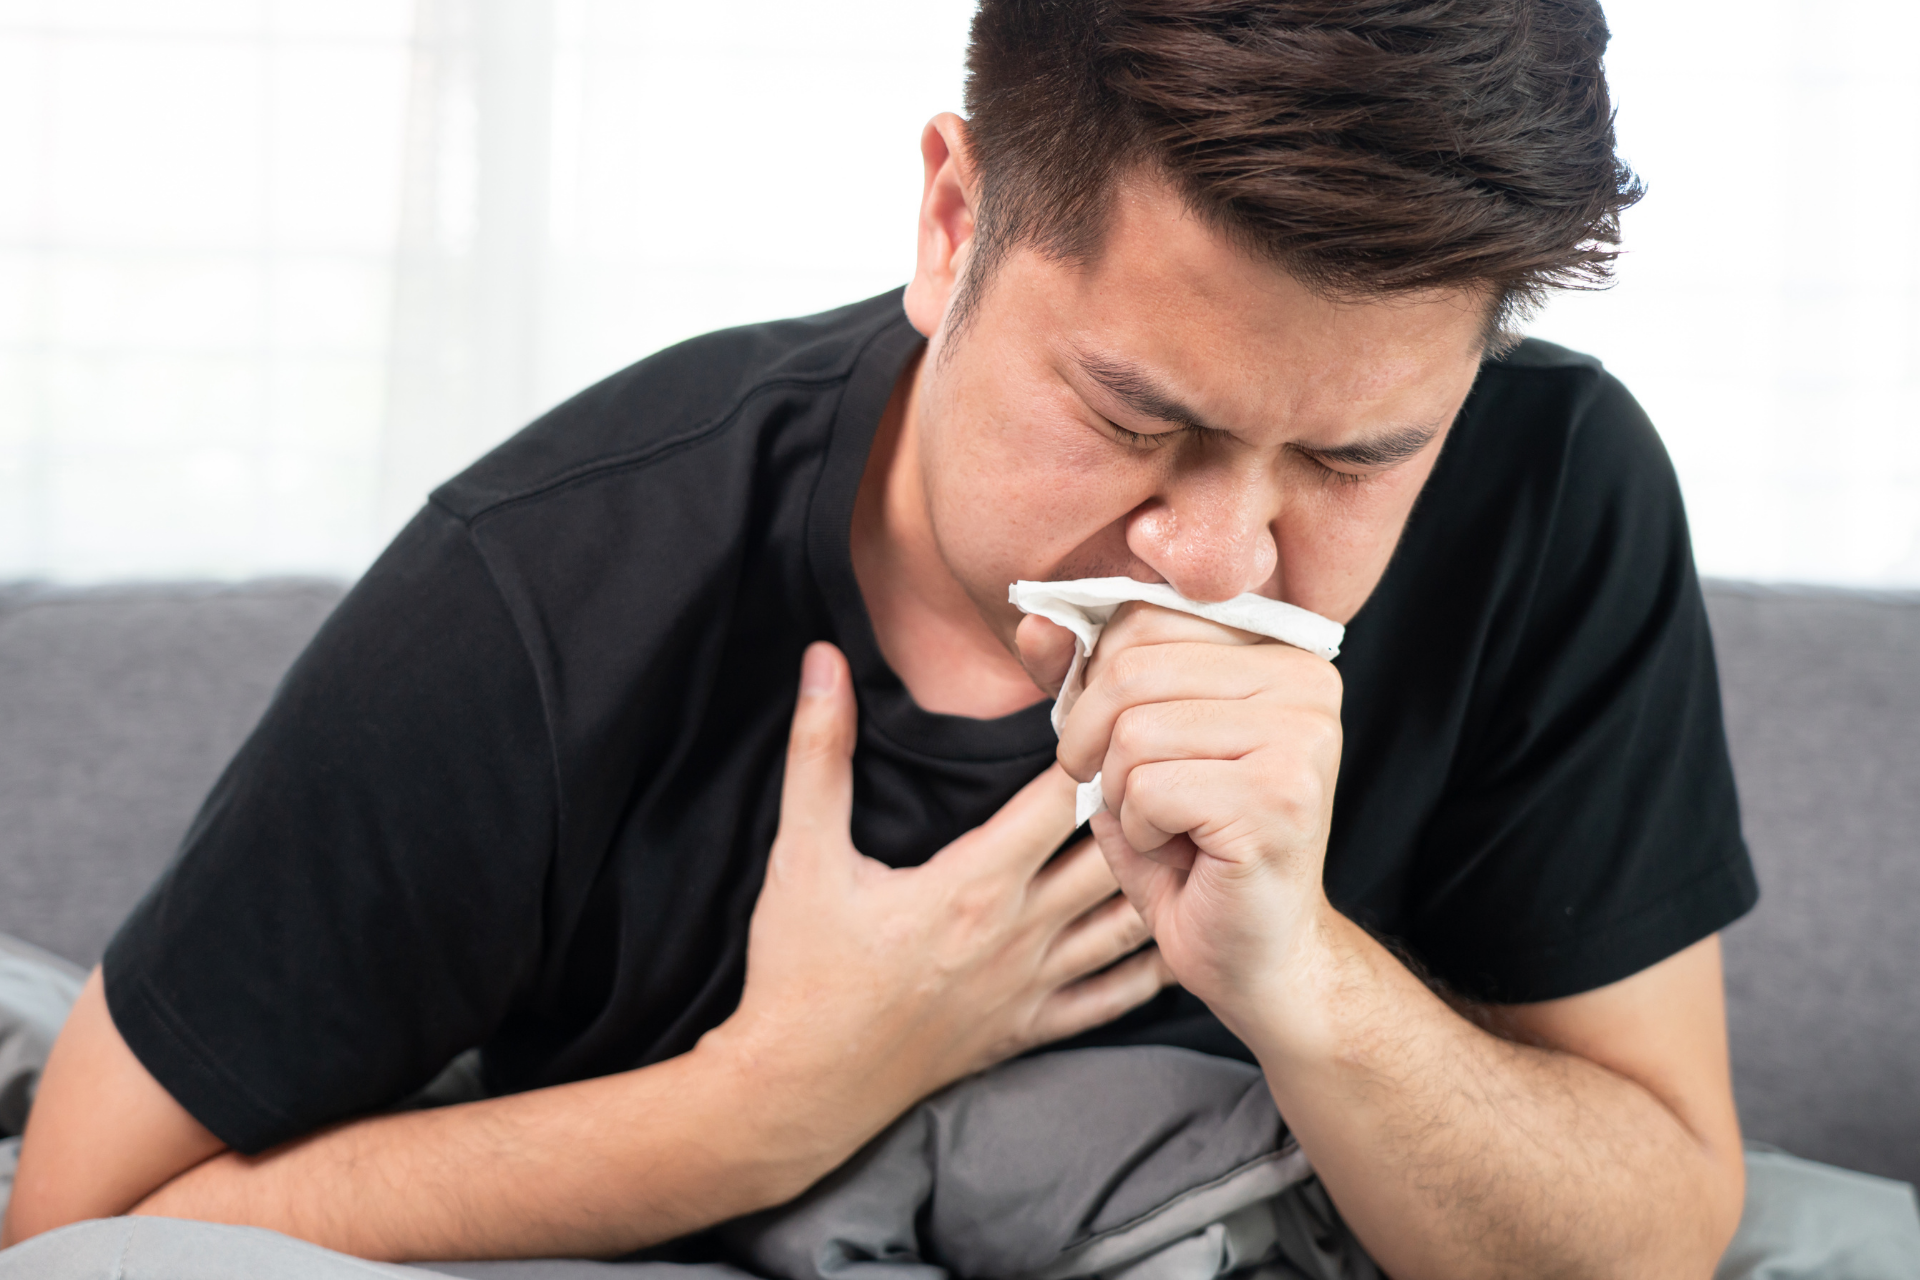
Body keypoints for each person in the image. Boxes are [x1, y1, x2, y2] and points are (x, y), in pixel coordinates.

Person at [0, 1, 1766, 1276]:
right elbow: (74, 1226)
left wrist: (1301, 976)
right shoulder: (549, 580)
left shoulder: (1554, 493)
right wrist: (761, 1107)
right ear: (953, 220)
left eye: (1355, 455)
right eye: (1134, 416)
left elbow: (1666, 1211)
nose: (1225, 555)